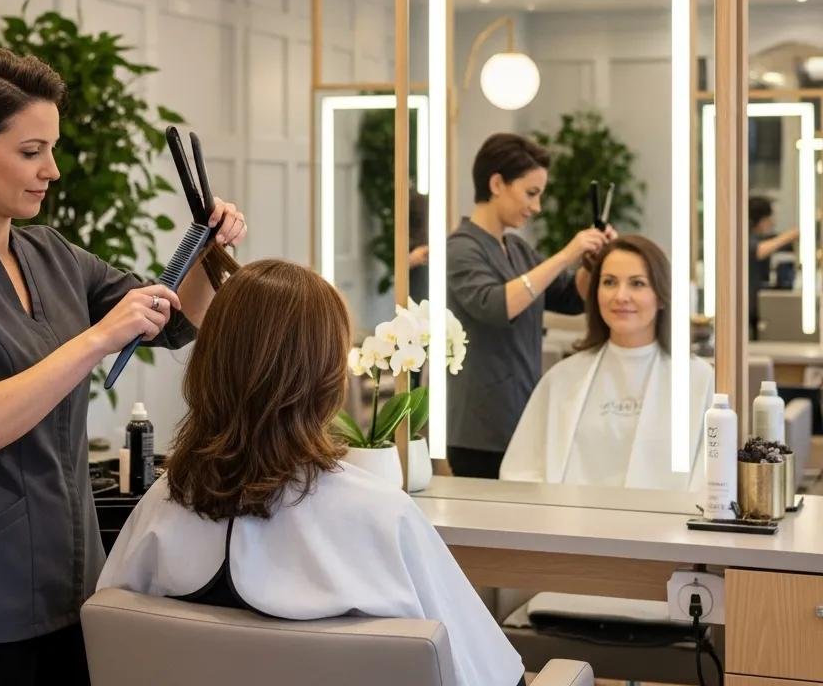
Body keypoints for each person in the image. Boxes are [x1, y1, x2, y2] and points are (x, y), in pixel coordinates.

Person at [0, 48, 248, 686]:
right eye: (30, 152)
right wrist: (96, 339)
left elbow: (172, 321)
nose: (51, 169)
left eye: (51, 148)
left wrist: (206, 251)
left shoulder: (51, 252)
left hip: (72, 593)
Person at [98, 259, 524, 686]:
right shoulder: (382, 516)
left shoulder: (163, 505)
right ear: (326, 376)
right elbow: (491, 676)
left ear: (209, 365)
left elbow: (110, 644)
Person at [446, 133, 612, 478]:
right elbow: (495, 305)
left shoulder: (518, 250)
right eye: (531, 193)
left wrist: (589, 263)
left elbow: (569, 297)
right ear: (496, 183)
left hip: (522, 416)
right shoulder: (461, 249)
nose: (536, 207)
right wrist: (566, 253)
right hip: (479, 428)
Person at [501, 235, 714, 490]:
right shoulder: (563, 379)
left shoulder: (698, 380)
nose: (621, 296)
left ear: (661, 296)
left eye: (637, 283)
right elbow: (521, 472)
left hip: (664, 527)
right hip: (571, 526)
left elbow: (709, 481)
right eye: (609, 282)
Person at [748, 196, 798, 340]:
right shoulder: (745, 238)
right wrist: (789, 236)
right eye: (770, 218)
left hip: (757, 306)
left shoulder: (761, 238)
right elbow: (758, 250)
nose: (773, 222)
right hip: (749, 307)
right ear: (762, 219)